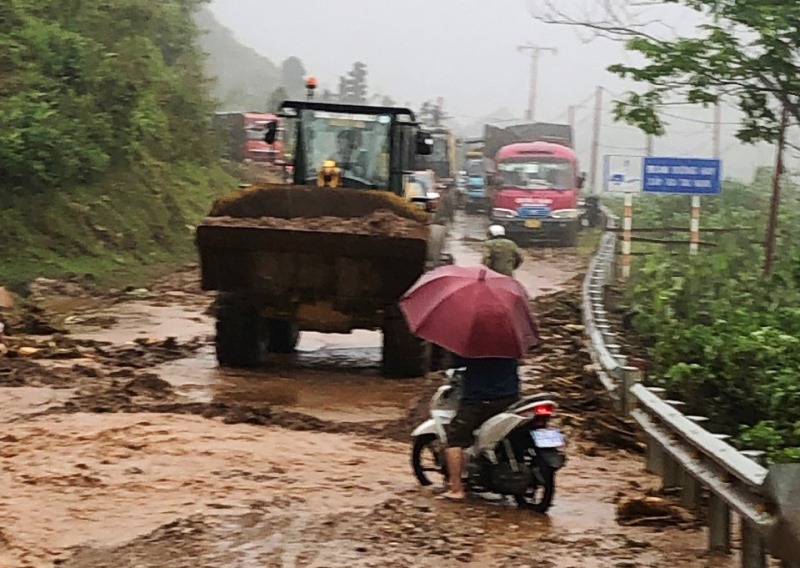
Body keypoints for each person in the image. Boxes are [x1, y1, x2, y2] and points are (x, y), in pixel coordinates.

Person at [441, 355, 521, 500]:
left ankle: (456, 489)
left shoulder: (474, 348)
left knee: (455, 440)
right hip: (510, 399)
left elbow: (455, 365)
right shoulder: (510, 345)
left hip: (479, 402)